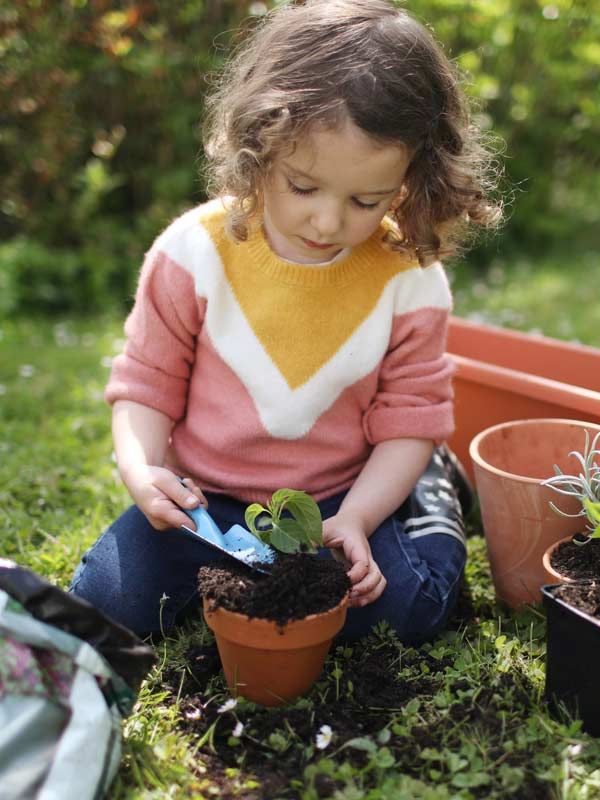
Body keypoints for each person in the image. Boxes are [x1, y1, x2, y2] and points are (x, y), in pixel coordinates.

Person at [70, 0, 501, 642]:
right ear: (257, 149)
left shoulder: (409, 279)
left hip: (340, 497)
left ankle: (426, 491)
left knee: (406, 612)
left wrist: (357, 518)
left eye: (366, 200)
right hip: (205, 504)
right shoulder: (194, 253)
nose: (328, 223)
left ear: (413, 178)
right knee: (108, 604)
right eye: (302, 186)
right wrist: (141, 469)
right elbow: (144, 385)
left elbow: (410, 415)